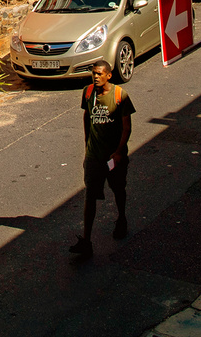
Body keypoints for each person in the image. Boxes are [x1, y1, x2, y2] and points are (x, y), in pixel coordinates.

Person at [69, 59, 134, 257]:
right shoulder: (88, 93)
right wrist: (87, 147)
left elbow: (126, 127)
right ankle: (86, 240)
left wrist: (119, 152)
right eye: (93, 74)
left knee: (118, 189)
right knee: (90, 196)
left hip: (113, 156)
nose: (96, 77)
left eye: (99, 74)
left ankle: (121, 218)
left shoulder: (119, 95)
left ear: (108, 75)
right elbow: (86, 118)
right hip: (94, 157)